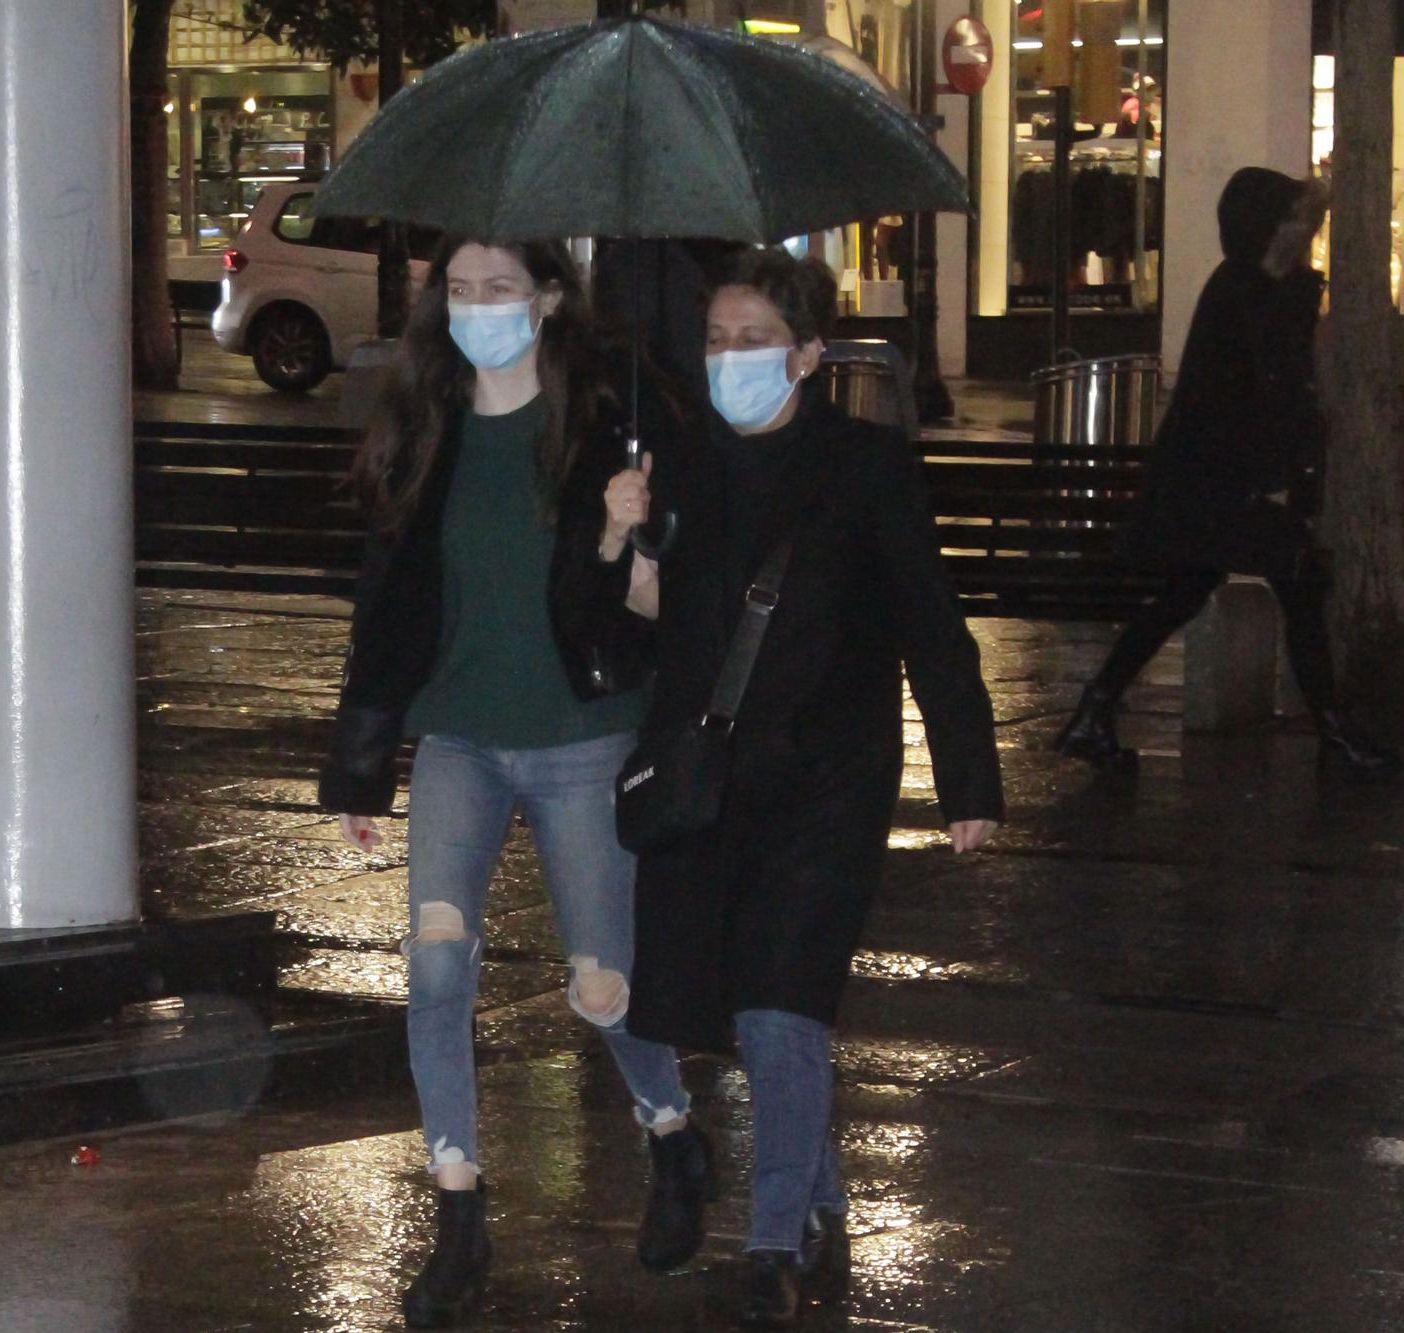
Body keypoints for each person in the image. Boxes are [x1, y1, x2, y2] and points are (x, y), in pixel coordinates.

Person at [567, 248, 1003, 1327]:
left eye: (754, 338)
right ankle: (815, 1206)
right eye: (714, 339)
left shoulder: (864, 465)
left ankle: (770, 1246)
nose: (730, 358)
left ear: (807, 355)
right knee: (712, 1001)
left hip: (826, 780)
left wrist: (967, 780)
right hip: (706, 778)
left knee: (778, 1004)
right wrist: (617, 539)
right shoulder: (675, 466)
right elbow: (633, 638)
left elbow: (929, 625)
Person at [319, 238, 711, 1330]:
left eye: (498, 290)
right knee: (434, 972)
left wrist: (624, 537)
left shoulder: (603, 425)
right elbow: (385, 605)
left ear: (545, 298)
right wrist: (360, 762)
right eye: (458, 290)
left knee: (602, 987)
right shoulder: (423, 426)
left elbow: (648, 616)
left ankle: (672, 1133)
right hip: (457, 742)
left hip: (578, 735)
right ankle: (457, 1211)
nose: (476, 308)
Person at [1055, 167, 1400, 776]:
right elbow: (1275, 392)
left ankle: (1096, 709)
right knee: (1298, 590)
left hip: (1214, 481)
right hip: (1235, 484)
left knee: (1187, 591)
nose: (1309, 232)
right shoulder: (1256, 292)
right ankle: (1335, 734)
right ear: (1269, 229)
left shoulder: (1248, 285)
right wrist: (1285, 475)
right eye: (1298, 221)